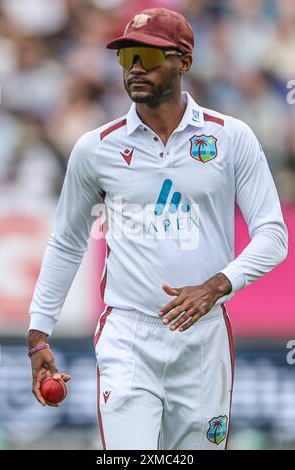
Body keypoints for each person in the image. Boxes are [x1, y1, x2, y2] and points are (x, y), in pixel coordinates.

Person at [28, 8, 288, 450]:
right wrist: (38, 335)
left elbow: (273, 235)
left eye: (147, 56)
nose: (134, 67)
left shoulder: (231, 138)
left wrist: (217, 285)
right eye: (127, 56)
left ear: (184, 61)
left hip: (203, 336)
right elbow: (68, 242)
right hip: (127, 335)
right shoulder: (96, 149)